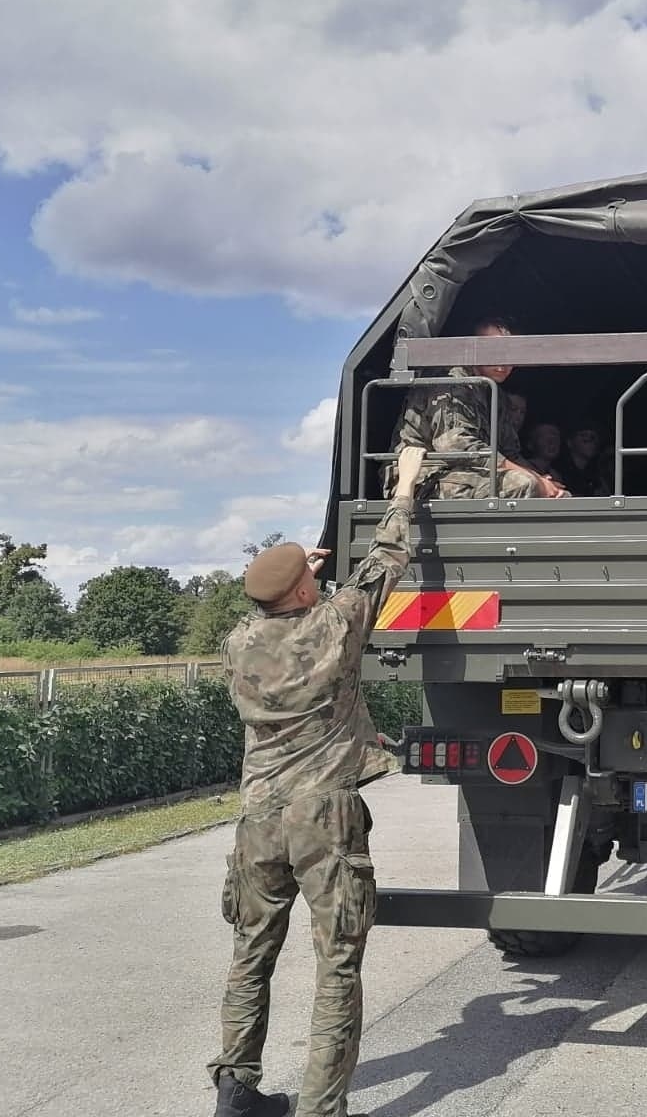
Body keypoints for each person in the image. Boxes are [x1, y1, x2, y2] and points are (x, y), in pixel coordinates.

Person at [205, 445, 425, 1117]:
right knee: (337, 963)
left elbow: (272, 607)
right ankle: (322, 1109)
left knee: (252, 951)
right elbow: (385, 560)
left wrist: (297, 575)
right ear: (306, 591)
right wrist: (406, 485)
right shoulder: (336, 623)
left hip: (258, 817)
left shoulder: (238, 642)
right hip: (322, 815)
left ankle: (235, 1091)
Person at [384, 316, 566, 500]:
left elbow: (510, 451)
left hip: (467, 473)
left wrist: (541, 479)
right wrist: (533, 479)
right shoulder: (451, 382)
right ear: (473, 349)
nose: (503, 364)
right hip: (424, 477)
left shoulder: (495, 393)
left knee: (555, 491)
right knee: (525, 484)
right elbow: (457, 447)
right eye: (493, 353)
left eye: (510, 355)